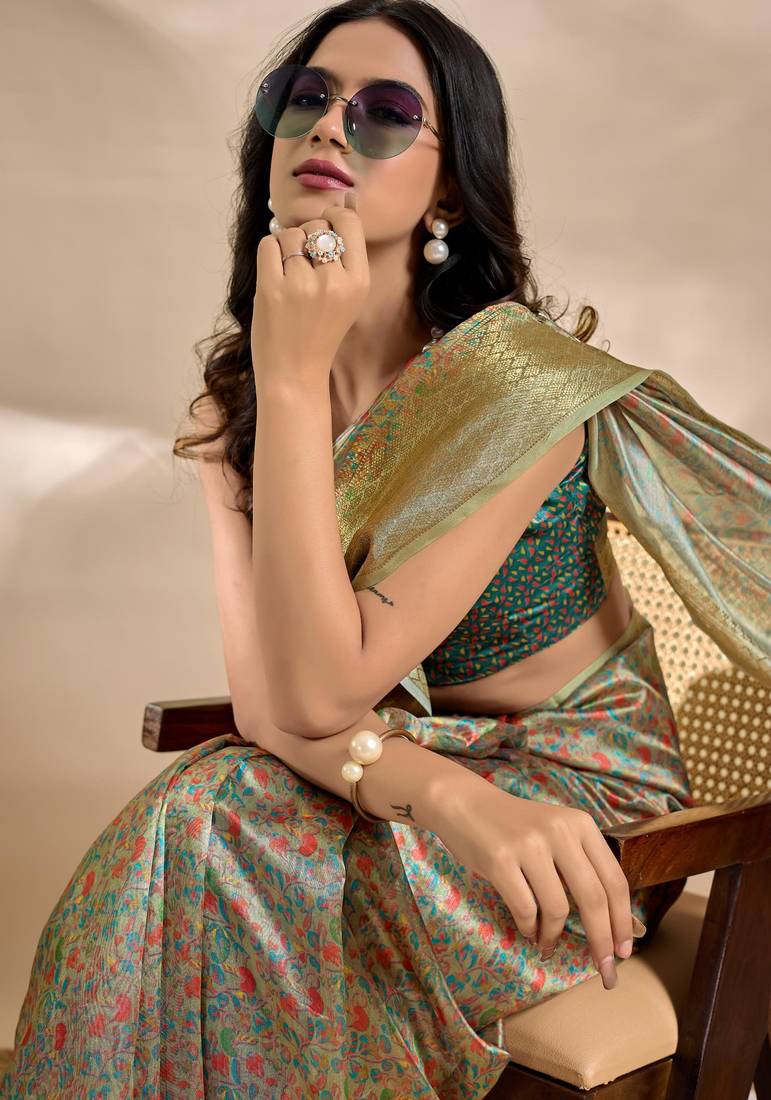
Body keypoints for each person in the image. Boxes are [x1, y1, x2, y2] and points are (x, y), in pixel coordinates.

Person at [3, 2, 769, 1097]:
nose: (328, 127)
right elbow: (271, 704)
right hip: (430, 782)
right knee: (201, 821)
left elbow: (320, 693)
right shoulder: (242, 402)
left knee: (218, 828)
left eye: (386, 113)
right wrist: (444, 794)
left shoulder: (516, 386)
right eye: (305, 99)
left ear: (449, 191)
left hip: (578, 817)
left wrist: (290, 377)